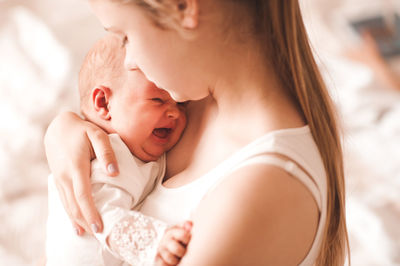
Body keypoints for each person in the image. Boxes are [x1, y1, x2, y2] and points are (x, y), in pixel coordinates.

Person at [44, 0, 350, 265]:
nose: (129, 61)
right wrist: (66, 128)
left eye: (125, 37)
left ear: (184, 7)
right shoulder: (189, 101)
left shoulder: (262, 188)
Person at [46, 34, 190, 266]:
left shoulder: (137, 150)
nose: (175, 113)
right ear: (103, 103)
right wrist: (154, 243)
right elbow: (98, 212)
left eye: (181, 104)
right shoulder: (108, 153)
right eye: (157, 100)